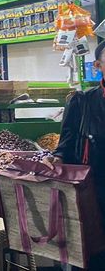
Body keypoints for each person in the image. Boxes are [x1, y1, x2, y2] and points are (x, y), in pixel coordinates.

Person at [50, 41, 105, 223]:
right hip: (96, 193)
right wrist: (55, 159)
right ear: (98, 66)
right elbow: (65, 146)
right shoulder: (81, 103)